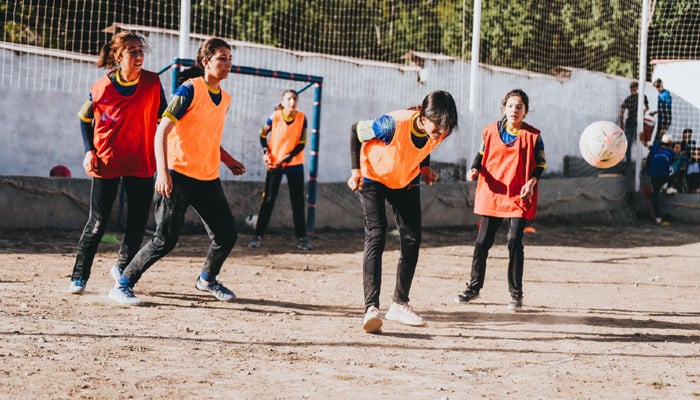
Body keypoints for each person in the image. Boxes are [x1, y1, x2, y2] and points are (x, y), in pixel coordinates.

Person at [108, 38, 246, 306]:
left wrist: (228, 160)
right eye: (222, 58)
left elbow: (207, 136)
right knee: (165, 240)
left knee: (227, 235)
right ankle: (123, 283)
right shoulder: (189, 90)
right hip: (178, 174)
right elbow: (162, 131)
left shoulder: (225, 99)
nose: (228, 64)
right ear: (206, 62)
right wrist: (163, 172)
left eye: (230, 58)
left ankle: (207, 279)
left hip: (207, 177)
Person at [348, 90, 458, 333]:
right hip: (374, 176)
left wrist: (425, 167)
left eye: (446, 126)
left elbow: (424, 147)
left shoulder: (439, 131)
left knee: (412, 238)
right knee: (376, 236)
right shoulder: (391, 124)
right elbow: (356, 130)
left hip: (405, 179)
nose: (442, 131)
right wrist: (355, 171)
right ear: (423, 115)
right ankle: (371, 308)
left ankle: (400, 303)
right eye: (438, 124)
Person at [67, 31, 167, 294]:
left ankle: (122, 267)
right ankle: (79, 276)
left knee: (136, 223)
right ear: (119, 56)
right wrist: (89, 151)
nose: (138, 55)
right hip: (107, 158)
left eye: (140, 50)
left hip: (141, 159)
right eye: (132, 51)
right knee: (97, 222)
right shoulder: (103, 87)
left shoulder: (153, 83)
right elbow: (83, 118)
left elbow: (164, 121)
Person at [455, 89, 546, 311]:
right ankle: (474, 287)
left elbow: (541, 164)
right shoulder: (489, 132)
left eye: (520, 106)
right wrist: (475, 168)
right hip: (493, 191)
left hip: (519, 193)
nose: (515, 110)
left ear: (525, 111)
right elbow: (480, 154)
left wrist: (532, 182)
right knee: (482, 242)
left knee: (514, 240)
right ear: (503, 108)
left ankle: (516, 294)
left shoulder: (533, 136)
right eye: (511, 105)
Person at [248, 89, 313, 251]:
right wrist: (265, 153)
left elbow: (302, 143)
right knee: (268, 199)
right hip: (274, 163)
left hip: (294, 165)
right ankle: (257, 236)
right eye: (289, 99)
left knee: (298, 202)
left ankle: (302, 239)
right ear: (283, 101)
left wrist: (288, 157)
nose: (293, 102)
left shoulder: (302, 118)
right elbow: (262, 135)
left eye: (295, 99)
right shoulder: (274, 116)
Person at [645, 133, 675, 225]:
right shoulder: (671, 153)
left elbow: (648, 162)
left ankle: (657, 216)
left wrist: (648, 173)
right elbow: (671, 163)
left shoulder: (654, 149)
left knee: (656, 195)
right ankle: (668, 186)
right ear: (670, 144)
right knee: (673, 169)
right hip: (664, 176)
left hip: (653, 176)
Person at [618, 81, 648, 164]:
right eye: (632, 87)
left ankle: (630, 161)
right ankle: (632, 161)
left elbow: (622, 111)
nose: (632, 89)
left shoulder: (631, 99)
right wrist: (643, 112)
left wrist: (621, 123)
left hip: (633, 123)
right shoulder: (641, 97)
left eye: (632, 87)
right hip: (635, 123)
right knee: (635, 142)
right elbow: (647, 108)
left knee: (630, 143)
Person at [650, 78, 672, 144]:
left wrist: (667, 124)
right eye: (655, 87)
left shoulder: (666, 94)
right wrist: (655, 112)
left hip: (664, 121)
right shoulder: (659, 94)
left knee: (659, 138)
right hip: (660, 119)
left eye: (657, 86)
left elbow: (667, 109)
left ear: (661, 85)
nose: (656, 89)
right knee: (656, 136)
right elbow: (662, 108)